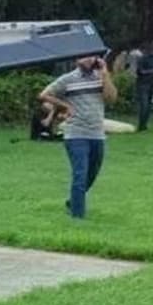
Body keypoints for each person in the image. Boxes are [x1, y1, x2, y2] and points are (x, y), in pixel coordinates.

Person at [39, 56, 118, 219]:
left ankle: (72, 201)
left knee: (92, 173)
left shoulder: (100, 77)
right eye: (84, 57)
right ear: (77, 60)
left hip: (97, 134)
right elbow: (44, 95)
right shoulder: (68, 79)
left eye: (92, 56)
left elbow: (111, 98)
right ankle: (77, 215)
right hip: (76, 134)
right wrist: (65, 105)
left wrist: (105, 74)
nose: (88, 60)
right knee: (80, 174)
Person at [134, 39, 153, 131]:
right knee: (144, 105)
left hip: (152, 83)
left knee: (149, 105)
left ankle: (144, 125)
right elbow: (140, 71)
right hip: (143, 84)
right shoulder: (144, 58)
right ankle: (141, 125)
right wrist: (152, 71)